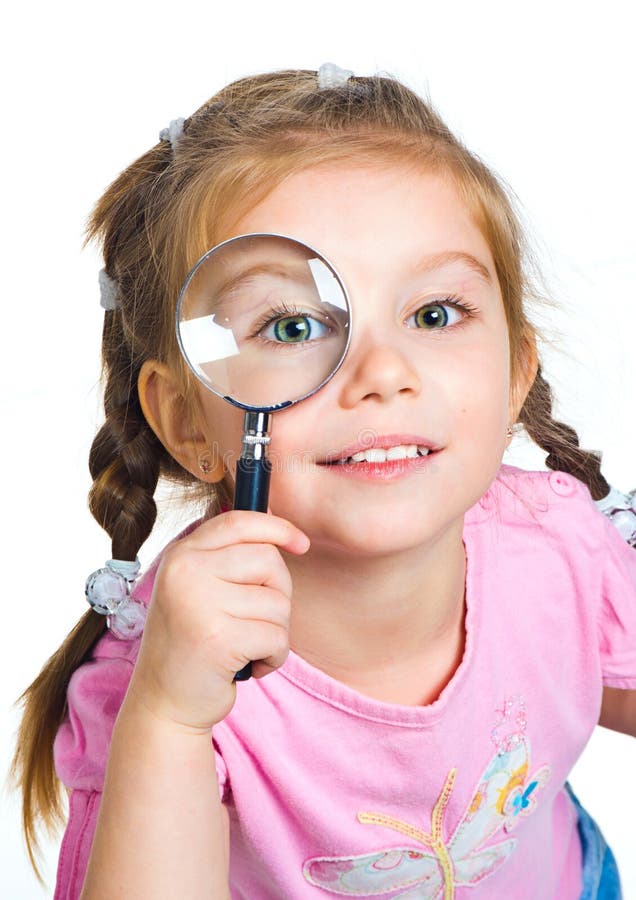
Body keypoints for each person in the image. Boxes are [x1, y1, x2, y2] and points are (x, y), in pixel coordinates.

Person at [10, 63, 636, 900]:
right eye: (294, 325)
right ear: (189, 422)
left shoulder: (559, 545)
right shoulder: (164, 676)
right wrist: (168, 717)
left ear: (518, 371)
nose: (383, 371)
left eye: (435, 314)